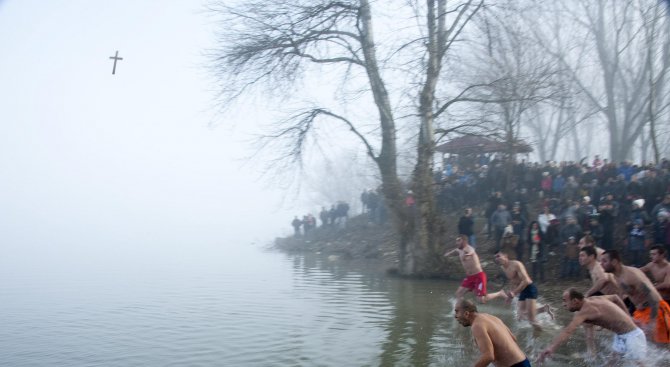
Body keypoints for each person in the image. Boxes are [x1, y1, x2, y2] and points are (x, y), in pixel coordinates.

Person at [538, 289, 646, 365]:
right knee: (610, 364)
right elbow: (615, 298)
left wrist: (551, 348)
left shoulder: (585, 311)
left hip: (633, 336)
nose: (563, 304)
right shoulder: (594, 299)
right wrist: (629, 317)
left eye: (565, 301)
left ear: (575, 301)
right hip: (621, 336)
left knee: (640, 365)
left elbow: (568, 331)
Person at [600, 250, 670, 344]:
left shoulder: (631, 275)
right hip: (640, 312)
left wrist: (652, 323)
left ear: (614, 262)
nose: (601, 264)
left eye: (604, 261)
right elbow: (624, 296)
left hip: (656, 311)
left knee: (657, 348)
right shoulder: (616, 276)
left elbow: (652, 297)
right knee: (631, 342)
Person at [454, 299, 531, 367]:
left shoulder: (477, 325)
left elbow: (489, 356)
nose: (455, 316)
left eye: (457, 311)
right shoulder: (490, 317)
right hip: (524, 361)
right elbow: (513, 338)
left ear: (466, 314)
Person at [494, 251, 553, 329]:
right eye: (495, 257)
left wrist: (514, 293)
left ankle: (544, 335)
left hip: (529, 289)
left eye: (498, 256)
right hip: (522, 291)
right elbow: (513, 280)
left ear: (505, 256)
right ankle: (544, 309)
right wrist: (509, 296)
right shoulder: (503, 268)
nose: (497, 259)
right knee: (521, 317)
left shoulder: (516, 264)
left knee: (532, 320)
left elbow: (526, 281)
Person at [444, 235, 506, 303]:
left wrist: (469, 254)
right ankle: (460, 309)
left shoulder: (469, 248)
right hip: (470, 277)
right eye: (456, 241)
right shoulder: (459, 250)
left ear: (464, 241)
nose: (457, 242)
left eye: (459, 240)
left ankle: (499, 293)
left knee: (481, 300)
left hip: (479, 276)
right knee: (458, 294)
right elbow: (455, 250)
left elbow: (472, 251)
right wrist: (448, 253)